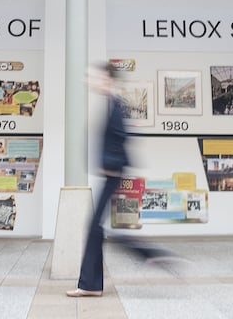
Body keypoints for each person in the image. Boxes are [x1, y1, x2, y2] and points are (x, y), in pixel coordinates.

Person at [66, 64, 178, 298]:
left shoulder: (115, 105)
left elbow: (125, 136)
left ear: (107, 79)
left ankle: (149, 255)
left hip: (113, 175)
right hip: (111, 173)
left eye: (94, 77)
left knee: (96, 228)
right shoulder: (111, 103)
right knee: (97, 229)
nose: (90, 81)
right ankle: (92, 284)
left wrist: (111, 164)